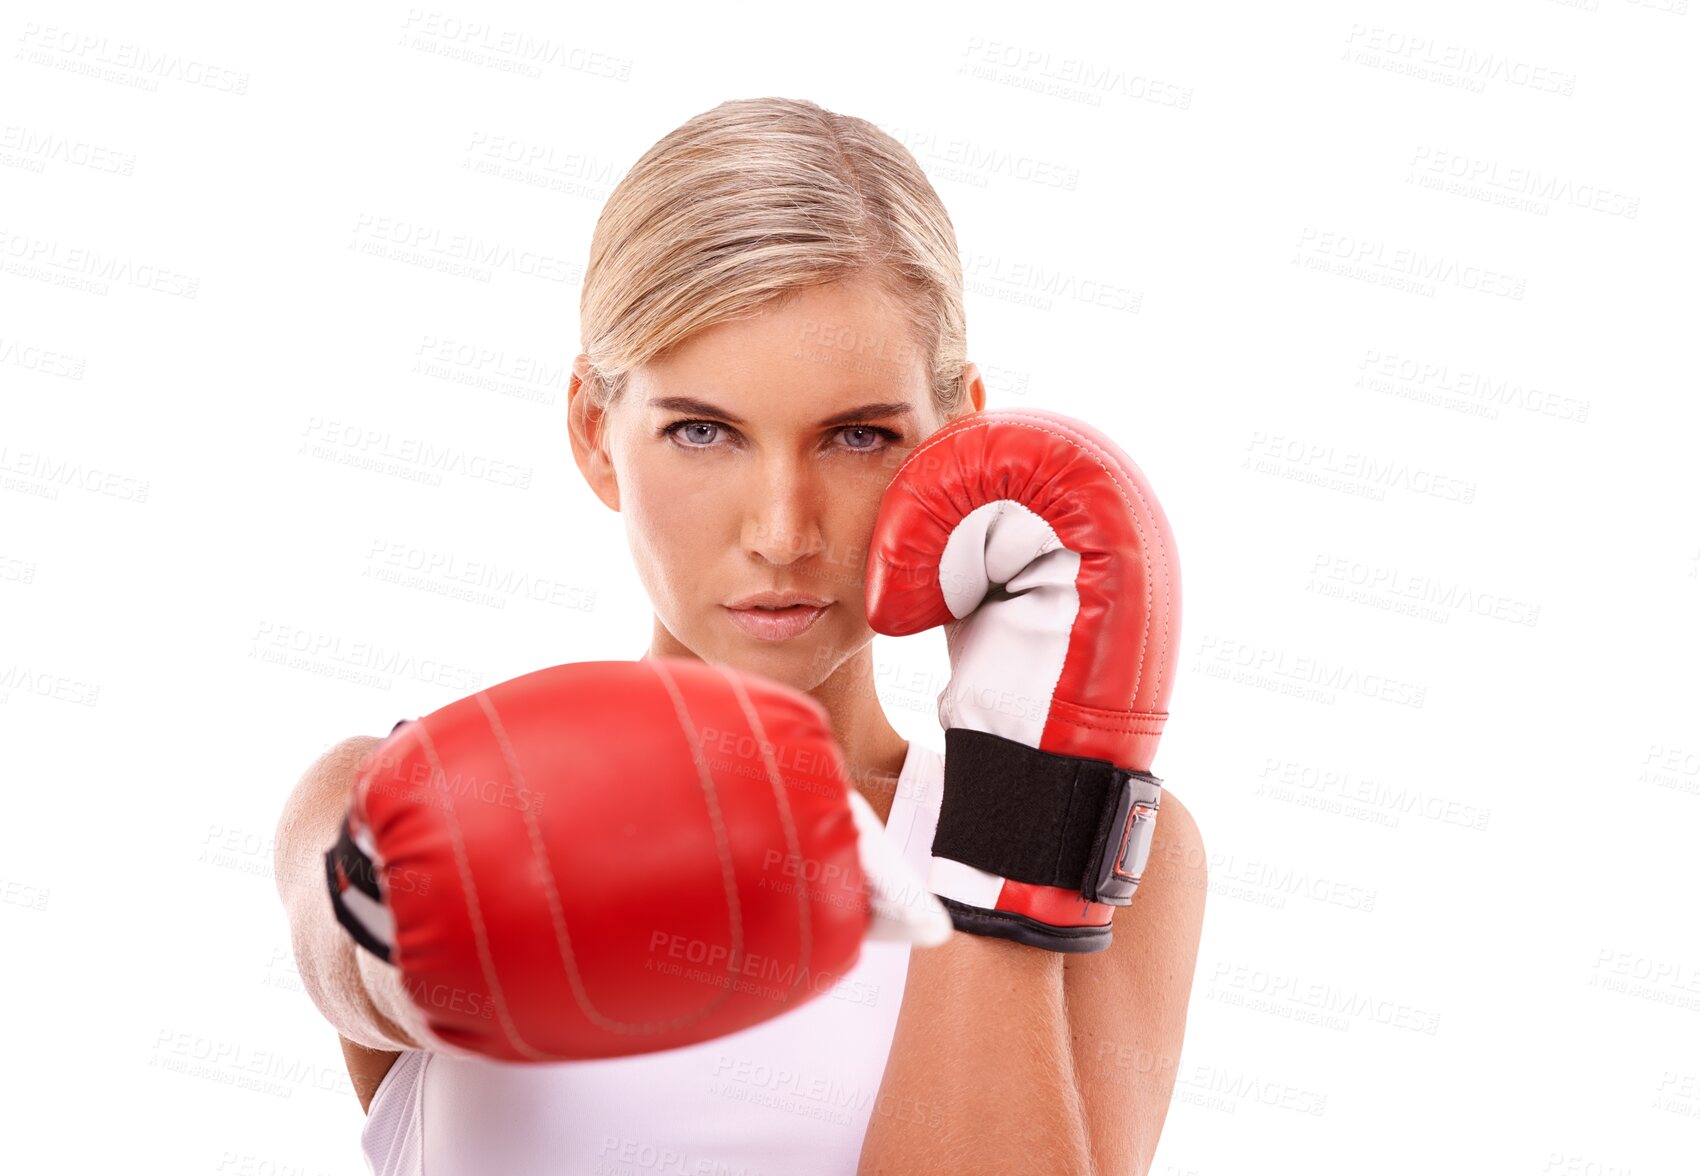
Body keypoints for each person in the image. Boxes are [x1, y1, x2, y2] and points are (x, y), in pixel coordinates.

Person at [274, 95, 1208, 1176]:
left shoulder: (1100, 848)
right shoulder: (397, 787)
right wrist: (473, 900)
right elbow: (350, 954)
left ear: (956, 450)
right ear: (594, 435)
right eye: (701, 430)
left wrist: (1014, 814)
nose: (780, 529)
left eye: (857, 435)